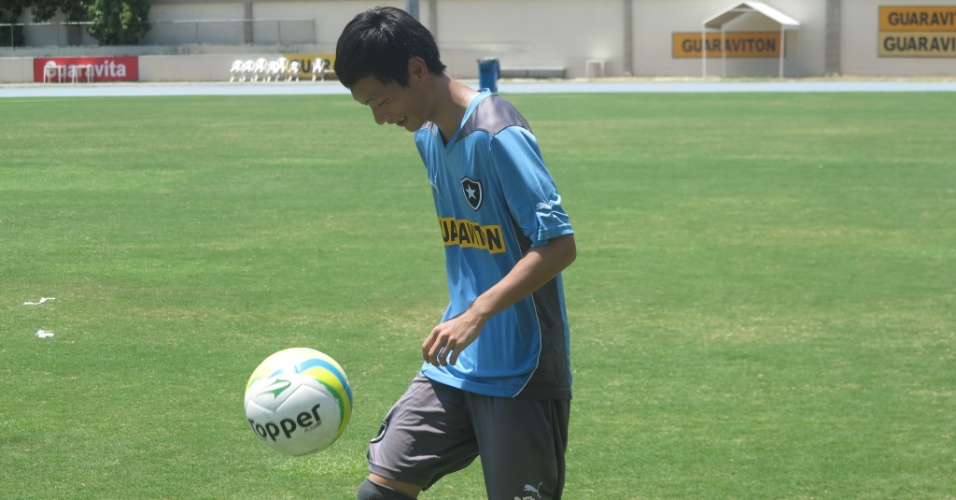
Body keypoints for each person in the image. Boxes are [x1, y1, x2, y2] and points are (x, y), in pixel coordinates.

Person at [335, 7, 576, 500]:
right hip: (455, 362)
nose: (380, 118)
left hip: (520, 369)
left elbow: (559, 245)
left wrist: (477, 313)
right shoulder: (427, 136)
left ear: (416, 69)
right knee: (378, 492)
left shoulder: (496, 133)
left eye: (380, 100)